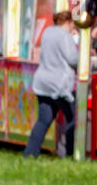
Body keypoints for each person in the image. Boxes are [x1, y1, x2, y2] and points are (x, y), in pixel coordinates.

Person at [24, 10, 79, 158]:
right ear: (68, 22)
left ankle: (30, 153)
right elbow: (72, 59)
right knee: (74, 119)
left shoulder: (48, 32)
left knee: (44, 120)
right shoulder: (65, 36)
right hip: (59, 84)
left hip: (43, 82)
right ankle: (71, 153)